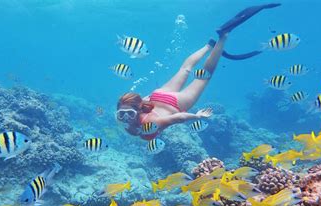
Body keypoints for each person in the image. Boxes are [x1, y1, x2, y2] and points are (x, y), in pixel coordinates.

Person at [116, 3, 280, 140]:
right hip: (157, 95)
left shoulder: (147, 124)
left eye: (128, 114)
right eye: (122, 115)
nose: (125, 119)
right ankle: (208, 46)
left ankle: (223, 36)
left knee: (204, 76)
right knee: (185, 68)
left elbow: (177, 118)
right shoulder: (135, 115)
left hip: (176, 104)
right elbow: (142, 103)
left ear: (137, 109)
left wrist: (197, 116)